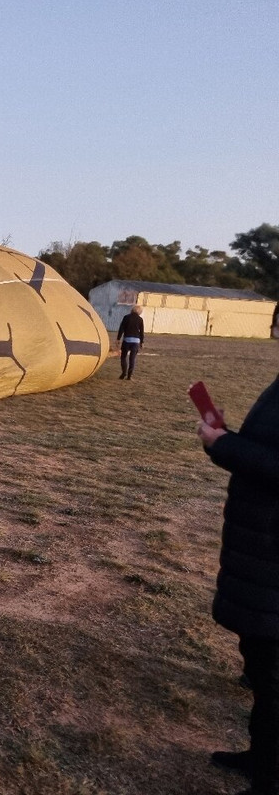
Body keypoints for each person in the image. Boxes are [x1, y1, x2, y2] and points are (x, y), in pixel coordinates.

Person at [198, 329, 279, 794]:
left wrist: (224, 445)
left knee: (273, 677)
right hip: (261, 549)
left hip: (272, 551)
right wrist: (224, 439)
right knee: (261, 661)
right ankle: (260, 756)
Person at [116, 304, 145, 380]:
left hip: (127, 340)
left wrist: (118, 339)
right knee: (132, 358)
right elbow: (141, 332)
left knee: (123, 357)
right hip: (136, 341)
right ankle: (129, 376)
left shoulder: (126, 317)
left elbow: (121, 328)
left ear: (132, 310)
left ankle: (123, 373)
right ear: (139, 312)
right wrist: (142, 342)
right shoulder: (140, 319)